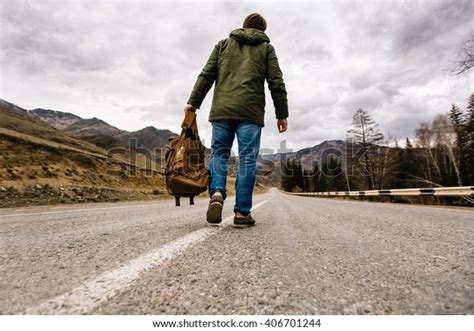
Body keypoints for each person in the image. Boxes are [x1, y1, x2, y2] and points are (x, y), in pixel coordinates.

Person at [184, 13, 288, 228]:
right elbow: (276, 82)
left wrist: (192, 103)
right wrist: (282, 113)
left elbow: (206, 75)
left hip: (222, 109)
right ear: (262, 31)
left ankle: (218, 192)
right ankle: (242, 213)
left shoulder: (223, 45)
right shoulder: (266, 48)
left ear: (244, 27)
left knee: (219, 153)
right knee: (248, 159)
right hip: (250, 112)